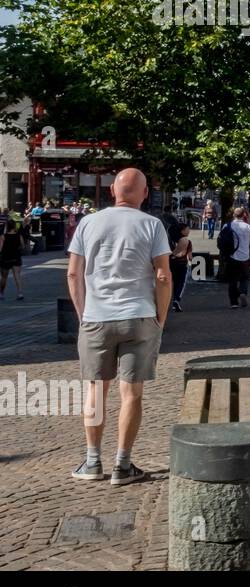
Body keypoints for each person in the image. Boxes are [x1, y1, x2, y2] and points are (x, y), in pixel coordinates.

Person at [66, 168, 171, 486]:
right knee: (132, 394)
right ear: (144, 193)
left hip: (97, 317)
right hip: (139, 316)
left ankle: (93, 461)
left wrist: (83, 314)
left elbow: (73, 274)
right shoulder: (152, 225)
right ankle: (123, 465)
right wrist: (160, 317)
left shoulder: (88, 222)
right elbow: (163, 276)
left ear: (112, 190)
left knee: (96, 391)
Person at [222, 207, 250, 309]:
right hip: (244, 257)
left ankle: (234, 303)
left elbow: (222, 241)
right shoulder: (248, 227)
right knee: (245, 278)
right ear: (244, 215)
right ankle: (242, 292)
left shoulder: (227, 226)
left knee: (232, 280)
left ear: (234, 215)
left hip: (231, 257)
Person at [168, 224, 192, 312]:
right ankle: (176, 300)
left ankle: (168, 301)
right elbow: (190, 257)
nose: (189, 231)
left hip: (171, 264)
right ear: (182, 231)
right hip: (182, 265)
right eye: (187, 229)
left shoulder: (171, 241)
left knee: (172, 283)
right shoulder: (187, 242)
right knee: (181, 284)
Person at [0, 216, 25, 301]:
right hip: (16, 256)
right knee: (17, 276)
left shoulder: (3, 236)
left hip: (6, 257)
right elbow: (23, 246)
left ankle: (1, 293)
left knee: (4, 277)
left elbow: (0, 248)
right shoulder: (19, 235)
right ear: (14, 226)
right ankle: (20, 293)